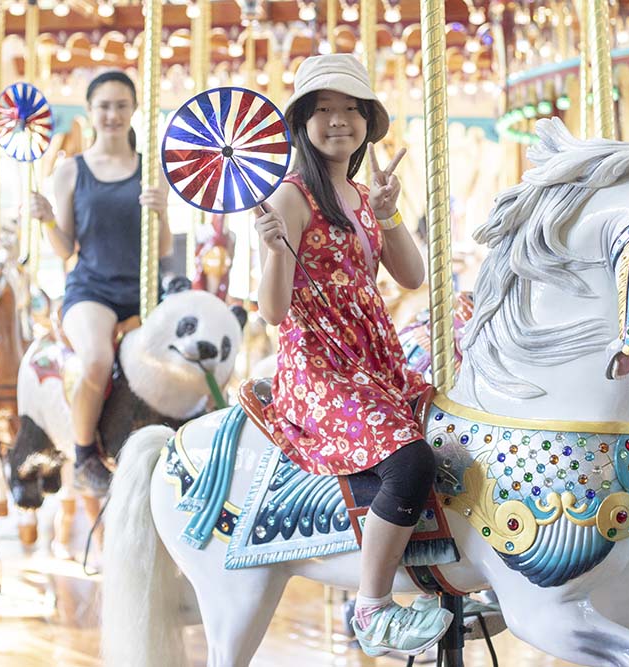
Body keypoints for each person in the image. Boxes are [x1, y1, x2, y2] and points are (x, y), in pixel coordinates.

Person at [254, 53, 452, 657]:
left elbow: (412, 274)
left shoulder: (364, 194)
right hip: (318, 364)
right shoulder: (289, 196)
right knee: (410, 460)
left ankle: (454, 575)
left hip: (373, 354)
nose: (338, 120)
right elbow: (272, 310)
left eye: (350, 109)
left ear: (368, 120)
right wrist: (273, 250)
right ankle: (371, 606)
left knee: (454, 434)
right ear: (302, 124)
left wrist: (390, 211)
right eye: (323, 110)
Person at [29, 70, 172, 496]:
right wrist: (46, 219)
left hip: (143, 288)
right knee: (95, 359)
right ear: (90, 111)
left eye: (121, 105)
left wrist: (162, 210)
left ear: (133, 110)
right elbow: (64, 247)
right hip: (91, 289)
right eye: (104, 106)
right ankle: (85, 452)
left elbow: (163, 249)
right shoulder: (71, 171)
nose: (112, 114)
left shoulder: (151, 170)